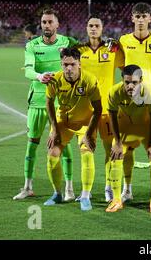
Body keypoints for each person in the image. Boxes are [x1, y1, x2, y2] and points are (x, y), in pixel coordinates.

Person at [13, 9, 78, 202]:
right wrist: (39, 76)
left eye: (50, 22)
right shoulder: (31, 45)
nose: (47, 26)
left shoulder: (68, 42)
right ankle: (27, 187)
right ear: (40, 25)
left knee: (64, 145)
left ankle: (69, 189)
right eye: (44, 22)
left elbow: (84, 56)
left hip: (61, 103)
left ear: (57, 25)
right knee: (32, 144)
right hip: (37, 102)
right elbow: (28, 70)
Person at [117, 2, 151, 206]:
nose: (140, 19)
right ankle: (127, 189)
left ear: (150, 18)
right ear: (132, 18)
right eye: (137, 16)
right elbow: (121, 68)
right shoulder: (123, 41)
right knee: (127, 149)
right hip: (130, 105)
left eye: (144, 16)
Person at [44, 48, 102, 211]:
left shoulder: (89, 80)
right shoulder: (55, 80)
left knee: (87, 153)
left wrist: (89, 134)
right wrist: (54, 129)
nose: (69, 68)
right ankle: (57, 194)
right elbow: (49, 103)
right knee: (52, 153)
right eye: (65, 64)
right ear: (61, 64)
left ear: (79, 64)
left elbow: (98, 109)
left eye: (72, 64)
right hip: (64, 122)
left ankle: (85, 195)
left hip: (85, 123)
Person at [75, 15, 125, 202]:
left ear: (102, 28)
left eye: (97, 25)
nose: (93, 28)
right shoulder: (78, 50)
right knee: (85, 151)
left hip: (107, 110)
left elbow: (126, 67)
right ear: (86, 28)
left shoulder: (112, 49)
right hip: (85, 111)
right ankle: (85, 192)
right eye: (90, 25)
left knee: (110, 151)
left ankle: (108, 188)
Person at [105, 65, 151, 214]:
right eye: (127, 82)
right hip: (126, 127)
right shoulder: (114, 92)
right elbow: (112, 116)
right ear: (122, 80)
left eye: (134, 82)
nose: (130, 86)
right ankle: (117, 200)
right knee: (115, 156)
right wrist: (117, 142)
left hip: (147, 127)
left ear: (141, 81)